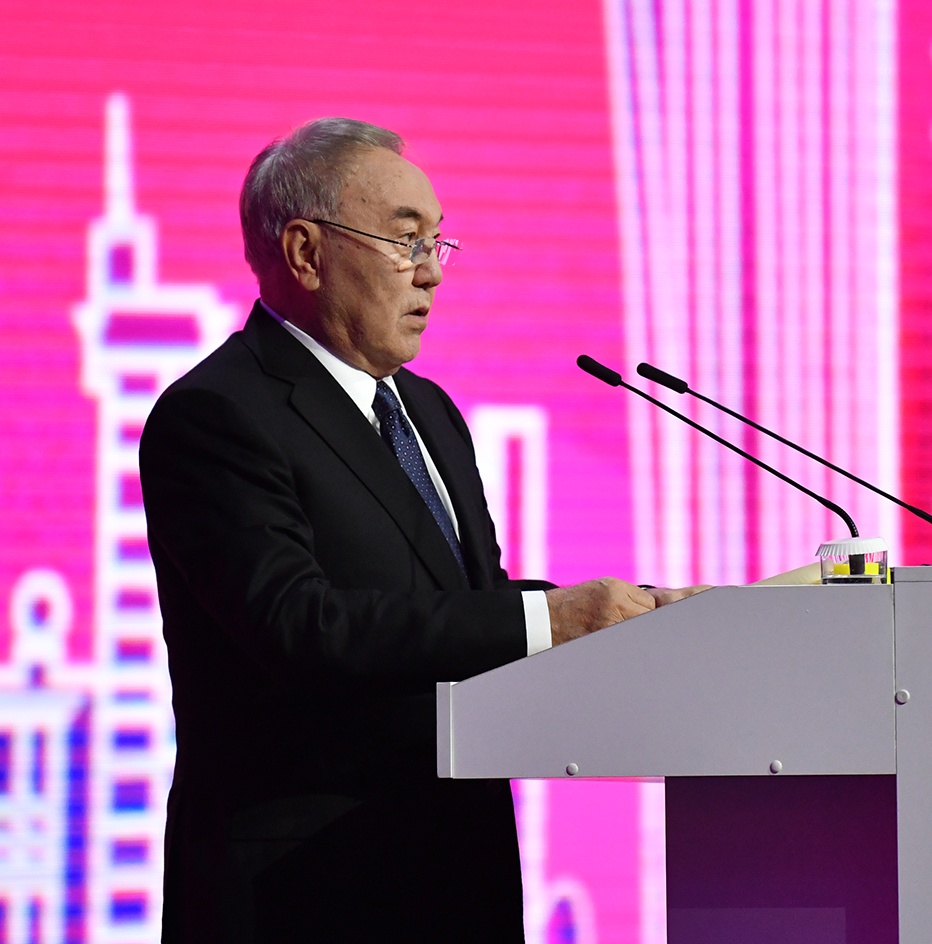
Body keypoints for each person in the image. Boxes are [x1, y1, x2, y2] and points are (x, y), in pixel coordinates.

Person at [140, 117, 701, 943]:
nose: (433, 271)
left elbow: (467, 606)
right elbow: (300, 626)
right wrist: (555, 618)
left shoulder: (429, 412)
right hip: (304, 894)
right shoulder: (218, 415)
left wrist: (628, 616)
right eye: (406, 241)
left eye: (438, 242)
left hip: (458, 876)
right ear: (306, 253)